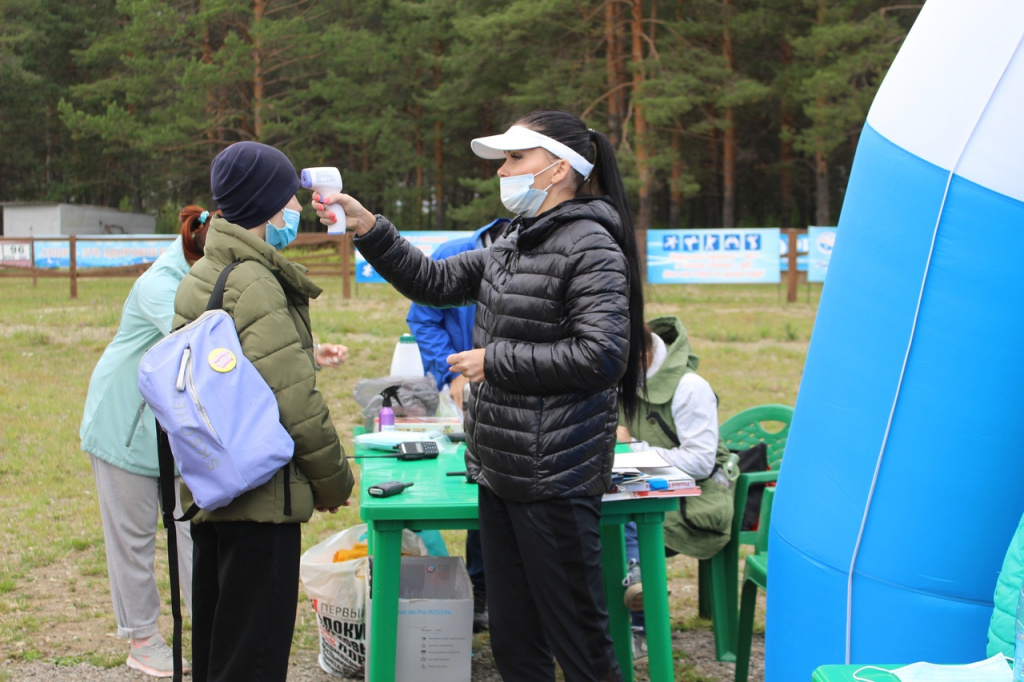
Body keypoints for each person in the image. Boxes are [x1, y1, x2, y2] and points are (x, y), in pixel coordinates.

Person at [315, 109, 647, 682]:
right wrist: (369, 226)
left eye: (516, 158)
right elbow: (435, 282)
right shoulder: (516, 240)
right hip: (501, 471)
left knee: (580, 640)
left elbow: (603, 357)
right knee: (514, 639)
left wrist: (496, 361)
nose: (503, 170)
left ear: (560, 169)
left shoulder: (591, 245)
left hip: (555, 478)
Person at [174, 141, 355, 682]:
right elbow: (294, 400)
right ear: (272, 208)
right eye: (291, 200)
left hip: (214, 488)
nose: (296, 210)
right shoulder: (255, 281)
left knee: (219, 647)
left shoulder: (205, 271)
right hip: (261, 499)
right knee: (252, 656)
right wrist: (335, 483)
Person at [79, 205, 211, 677]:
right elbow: (198, 345)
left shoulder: (207, 274)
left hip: (173, 430)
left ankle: (207, 624)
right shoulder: (162, 284)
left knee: (190, 531)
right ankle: (142, 638)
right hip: (124, 425)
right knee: (133, 538)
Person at [405, 217, 509, 633]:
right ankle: (477, 591)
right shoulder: (454, 255)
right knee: (473, 484)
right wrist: (450, 373)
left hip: (519, 397)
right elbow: (423, 319)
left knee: (501, 487)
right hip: (460, 394)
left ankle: (494, 591)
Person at [616, 316, 738, 665]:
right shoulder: (625, 377)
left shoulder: (690, 387)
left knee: (624, 519)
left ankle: (641, 626)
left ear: (639, 355)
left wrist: (633, 448)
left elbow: (700, 462)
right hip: (643, 485)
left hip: (697, 497)